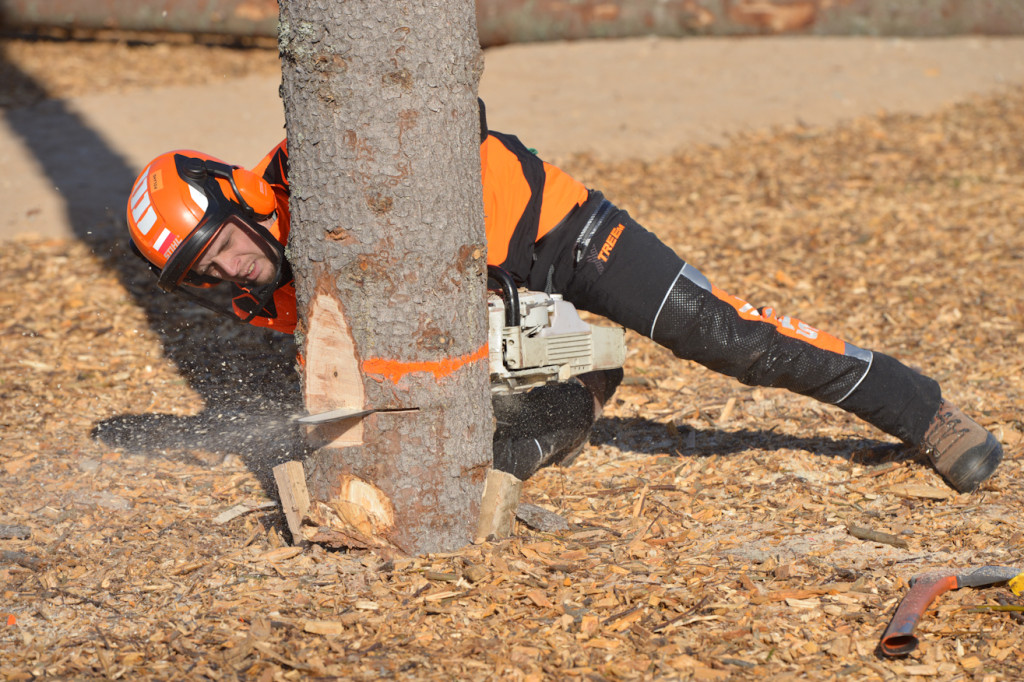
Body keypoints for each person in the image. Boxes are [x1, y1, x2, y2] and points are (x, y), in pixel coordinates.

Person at [125, 103, 1003, 492]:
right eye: (203, 275)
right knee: (508, 440)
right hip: (504, 312)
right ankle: (591, 371)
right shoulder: (262, 297)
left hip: (562, 234)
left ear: (235, 196)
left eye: (226, 249)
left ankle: (922, 410)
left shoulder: (303, 163)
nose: (229, 276)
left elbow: (445, 107)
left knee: (731, 339)